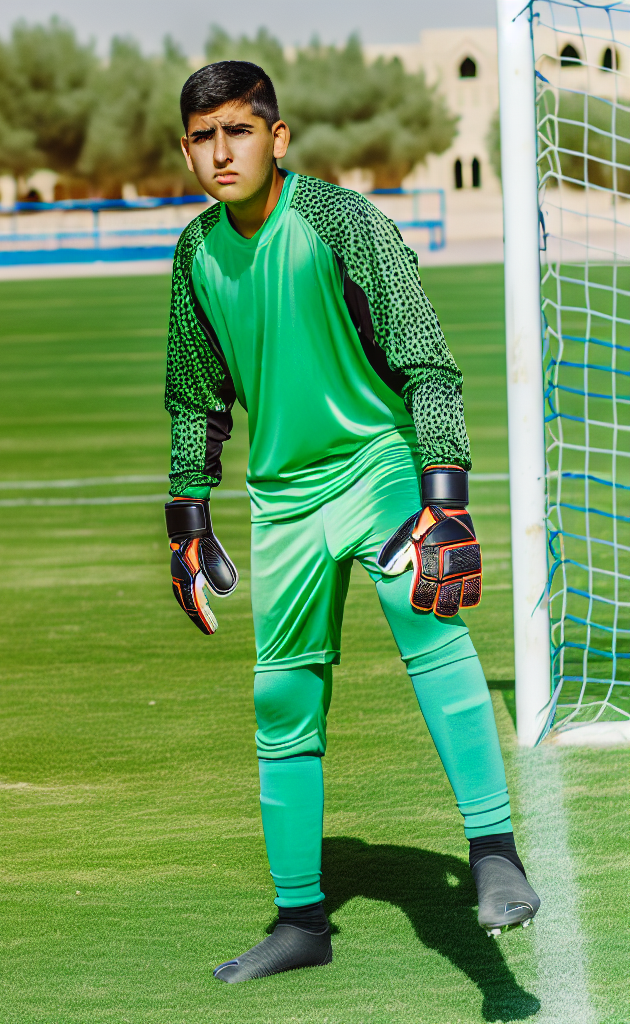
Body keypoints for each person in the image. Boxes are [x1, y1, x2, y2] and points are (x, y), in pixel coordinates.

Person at [162, 60, 541, 984]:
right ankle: (301, 922)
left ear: (277, 139)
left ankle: (494, 856)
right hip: (280, 501)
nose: (223, 151)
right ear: (186, 150)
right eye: (205, 137)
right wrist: (186, 517)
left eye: (240, 131)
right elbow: (192, 396)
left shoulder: (341, 223)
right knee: (281, 701)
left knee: (429, 623)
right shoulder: (193, 254)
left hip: (376, 465)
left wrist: (445, 503)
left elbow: (427, 361)